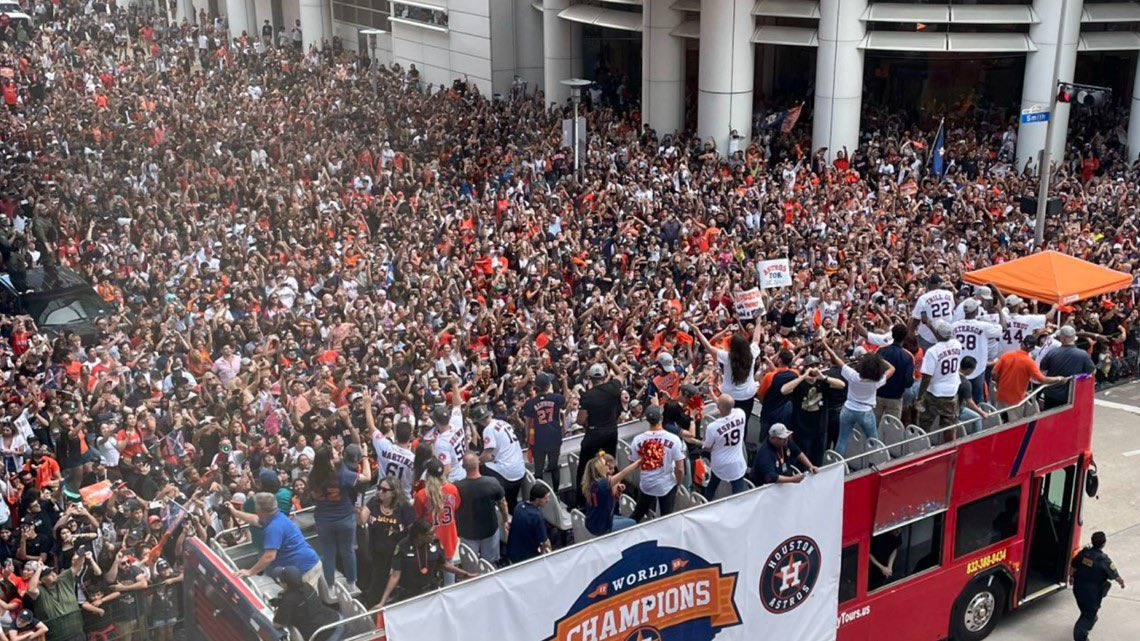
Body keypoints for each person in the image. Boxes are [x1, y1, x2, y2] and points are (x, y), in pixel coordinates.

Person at [308, 445, 370, 592]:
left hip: (323, 520)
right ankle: (351, 584)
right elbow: (366, 477)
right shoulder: (341, 474)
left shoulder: (313, 475)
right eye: (335, 454)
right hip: (345, 518)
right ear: (330, 460)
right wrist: (365, 456)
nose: (339, 454)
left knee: (328, 553)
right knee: (347, 551)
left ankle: (330, 586)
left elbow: (312, 495)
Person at [232, 493, 323, 594]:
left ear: (260, 510)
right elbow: (255, 519)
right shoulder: (276, 516)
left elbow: (269, 556)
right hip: (303, 564)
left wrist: (250, 571)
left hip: (305, 568)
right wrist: (235, 512)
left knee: (305, 602)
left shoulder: (273, 527)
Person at [377, 520, 474, 608]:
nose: (433, 536)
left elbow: (444, 565)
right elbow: (395, 575)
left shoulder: (435, 543)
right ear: (419, 536)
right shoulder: (403, 546)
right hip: (409, 594)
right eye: (430, 534)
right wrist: (382, 601)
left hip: (430, 590)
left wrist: (466, 574)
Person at [825, 343, 894, 456]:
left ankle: (838, 463)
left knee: (842, 439)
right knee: (873, 439)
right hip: (865, 411)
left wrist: (825, 344)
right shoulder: (877, 381)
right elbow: (892, 369)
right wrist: (880, 360)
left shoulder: (853, 376)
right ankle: (873, 461)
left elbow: (837, 359)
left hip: (848, 408)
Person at [360, 476, 415, 606]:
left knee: (397, 590)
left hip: (397, 555)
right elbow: (362, 520)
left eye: (384, 490)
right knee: (376, 590)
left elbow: (412, 532)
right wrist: (359, 513)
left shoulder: (404, 507)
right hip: (377, 553)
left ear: (393, 492)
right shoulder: (374, 502)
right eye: (379, 488)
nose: (380, 492)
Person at [574, 363, 624, 505]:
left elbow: (580, 419)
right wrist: (608, 359)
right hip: (611, 432)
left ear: (590, 378)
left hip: (594, 434)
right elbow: (620, 374)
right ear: (604, 375)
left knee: (585, 467)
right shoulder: (613, 388)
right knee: (610, 464)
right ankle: (615, 495)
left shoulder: (587, 396)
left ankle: (581, 501)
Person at [782, 356, 844, 466]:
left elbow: (842, 385)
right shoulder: (799, 383)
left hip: (819, 429)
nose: (814, 369)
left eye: (816, 366)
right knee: (801, 462)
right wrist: (803, 377)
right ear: (805, 368)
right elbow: (784, 390)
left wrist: (823, 377)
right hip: (801, 429)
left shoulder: (823, 381)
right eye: (810, 366)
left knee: (817, 461)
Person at [628, 405, 685, 521]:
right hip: (667, 485)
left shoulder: (637, 440)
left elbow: (632, 463)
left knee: (637, 514)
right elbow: (680, 469)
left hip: (646, 483)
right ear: (662, 418)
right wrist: (678, 484)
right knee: (666, 518)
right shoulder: (674, 439)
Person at [691, 323, 762, 416]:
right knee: (744, 419)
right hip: (747, 395)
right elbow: (756, 339)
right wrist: (758, 321)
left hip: (729, 396)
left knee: (728, 421)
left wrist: (697, 331)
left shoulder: (727, 357)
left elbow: (708, 346)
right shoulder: (752, 353)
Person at [992, 335, 1067, 421]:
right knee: (1014, 423)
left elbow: (994, 372)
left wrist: (998, 383)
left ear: (1021, 344)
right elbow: (1042, 379)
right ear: (1032, 349)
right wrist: (1059, 379)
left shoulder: (1006, 355)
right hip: (1015, 399)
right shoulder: (1030, 362)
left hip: (1001, 394)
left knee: (998, 420)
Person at [454, 454, 509, 566]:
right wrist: (505, 520)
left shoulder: (456, 487)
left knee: (470, 565)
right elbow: (503, 503)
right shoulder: (492, 482)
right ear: (478, 463)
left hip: (467, 532)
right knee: (490, 564)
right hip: (490, 530)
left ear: (463, 467)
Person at [413, 460, 461, 586]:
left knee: (432, 572)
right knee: (449, 569)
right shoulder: (452, 489)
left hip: (431, 539)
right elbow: (456, 507)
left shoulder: (421, 495)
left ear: (427, 474)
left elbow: (418, 518)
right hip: (448, 536)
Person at [1070, 531, 1125, 641]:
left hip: (1078, 589)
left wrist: (1071, 577)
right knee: (1086, 618)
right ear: (1103, 543)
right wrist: (1121, 582)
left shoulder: (1083, 553)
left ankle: (1091, 616)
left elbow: (1073, 565)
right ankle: (1081, 636)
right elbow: (1115, 575)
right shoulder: (1104, 560)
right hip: (1092, 594)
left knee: (1085, 609)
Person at [471, 405, 525, 513]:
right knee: (512, 502)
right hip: (520, 470)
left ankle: (492, 500)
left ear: (479, 421)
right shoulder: (502, 422)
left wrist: (473, 463)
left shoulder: (488, 429)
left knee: (479, 467)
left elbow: (486, 456)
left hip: (508, 473)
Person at [692, 395, 748, 498]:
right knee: (738, 494)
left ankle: (707, 504)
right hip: (737, 463)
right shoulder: (741, 414)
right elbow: (727, 405)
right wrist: (713, 394)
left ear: (719, 407)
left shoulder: (713, 427)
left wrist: (697, 442)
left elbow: (707, 446)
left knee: (711, 488)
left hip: (719, 463)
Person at [917, 321, 965, 442]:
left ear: (937, 333)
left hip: (934, 393)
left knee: (924, 425)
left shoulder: (932, 351)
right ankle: (948, 450)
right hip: (951, 393)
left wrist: (920, 396)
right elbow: (942, 336)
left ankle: (923, 449)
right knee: (948, 426)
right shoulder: (957, 344)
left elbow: (926, 377)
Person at [24, 552, 86, 641]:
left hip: (77, 633)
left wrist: (82, 554)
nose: (53, 574)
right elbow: (30, 589)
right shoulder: (40, 591)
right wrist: (38, 570)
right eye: (48, 574)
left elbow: (77, 567)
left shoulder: (63, 579)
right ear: (41, 580)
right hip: (57, 638)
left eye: (52, 571)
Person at [270, 566, 343, 641]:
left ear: (285, 584)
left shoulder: (288, 601)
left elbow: (277, 625)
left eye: (280, 582)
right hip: (336, 618)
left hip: (326, 633)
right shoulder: (307, 586)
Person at [521, 372, 566, 491]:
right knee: (554, 466)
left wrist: (527, 438)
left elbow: (527, 423)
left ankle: (539, 495)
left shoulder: (530, 403)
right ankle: (556, 493)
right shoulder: (556, 398)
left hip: (538, 439)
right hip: (554, 437)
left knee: (538, 469)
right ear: (548, 385)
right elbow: (566, 397)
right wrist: (564, 382)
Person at [580, 452, 638, 536]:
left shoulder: (593, 482)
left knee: (625, 520)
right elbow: (623, 473)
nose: (608, 466)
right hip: (601, 527)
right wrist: (638, 462)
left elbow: (608, 495)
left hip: (592, 522)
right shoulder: (603, 483)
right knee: (633, 523)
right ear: (600, 468)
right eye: (606, 464)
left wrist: (617, 488)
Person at [1039, 326, 1096, 410]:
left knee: (1050, 420)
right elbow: (1092, 372)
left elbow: (1042, 368)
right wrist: (1077, 377)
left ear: (1062, 338)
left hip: (1051, 393)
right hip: (1071, 395)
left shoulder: (1052, 353)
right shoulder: (1083, 354)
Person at [750, 424, 818, 487]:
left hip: (786, 478)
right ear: (773, 438)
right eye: (782, 438)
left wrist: (810, 466)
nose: (786, 440)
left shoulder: (785, 441)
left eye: (786, 437)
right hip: (769, 486)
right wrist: (792, 479)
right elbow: (771, 477)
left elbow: (798, 453)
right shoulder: (765, 454)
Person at [874, 325, 915, 421]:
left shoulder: (880, 351)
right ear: (905, 337)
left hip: (878, 393)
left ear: (892, 335)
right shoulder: (908, 356)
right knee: (892, 428)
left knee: (873, 426)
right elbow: (909, 382)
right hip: (895, 397)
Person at [506, 485, 552, 564]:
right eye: (545, 498)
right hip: (526, 558)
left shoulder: (519, 506)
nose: (548, 500)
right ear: (537, 500)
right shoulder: (537, 516)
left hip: (511, 552)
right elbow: (545, 542)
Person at [910, 274, 956, 350]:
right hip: (945, 334)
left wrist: (910, 333)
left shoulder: (924, 298)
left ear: (929, 283)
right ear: (940, 283)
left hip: (927, 337)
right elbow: (951, 310)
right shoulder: (949, 294)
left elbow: (916, 319)